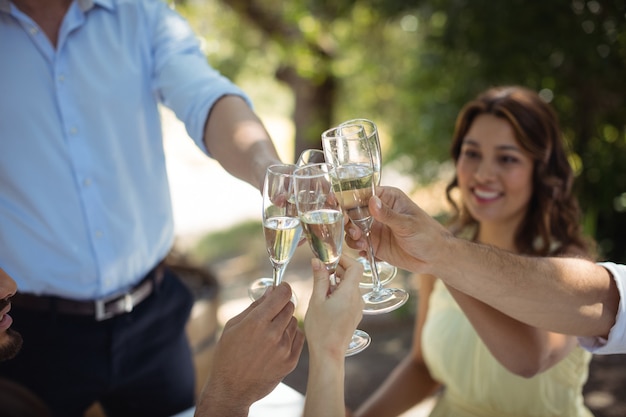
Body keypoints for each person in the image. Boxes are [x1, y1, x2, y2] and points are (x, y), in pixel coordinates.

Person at [0, 0, 284, 415]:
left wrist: (270, 172)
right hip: (28, 331)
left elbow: (205, 95)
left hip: (152, 318)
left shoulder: (139, 13)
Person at [350, 86, 596, 417]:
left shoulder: (569, 263)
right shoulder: (442, 248)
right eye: (472, 153)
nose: (482, 174)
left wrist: (441, 255)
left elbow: (529, 360)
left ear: (540, 170)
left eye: (507, 158)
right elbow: (424, 368)